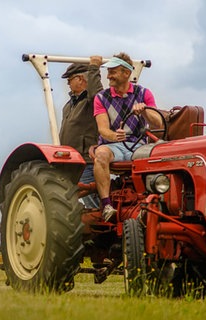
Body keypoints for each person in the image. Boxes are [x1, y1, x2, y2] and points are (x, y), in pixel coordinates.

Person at [93, 52, 162, 221]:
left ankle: (153, 201)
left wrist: (145, 110)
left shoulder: (144, 93)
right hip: (112, 145)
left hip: (138, 146)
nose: (108, 76)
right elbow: (103, 129)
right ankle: (107, 205)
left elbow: (158, 123)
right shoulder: (101, 97)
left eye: (112, 72)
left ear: (126, 73)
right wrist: (115, 135)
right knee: (100, 155)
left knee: (159, 155)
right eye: (108, 72)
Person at [59, 56, 103, 209]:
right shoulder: (68, 105)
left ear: (80, 79)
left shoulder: (93, 101)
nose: (68, 83)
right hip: (71, 162)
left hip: (86, 161)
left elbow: (98, 94)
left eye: (69, 79)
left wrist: (94, 69)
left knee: (94, 203)